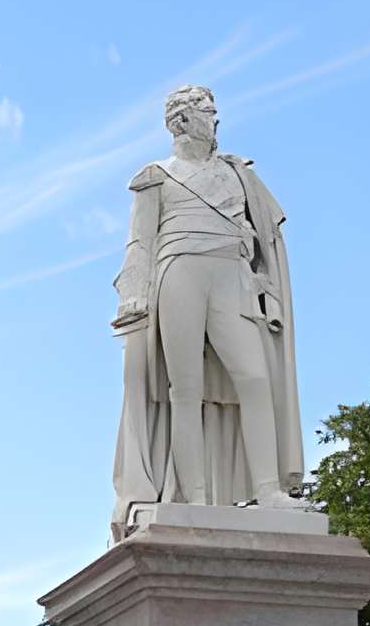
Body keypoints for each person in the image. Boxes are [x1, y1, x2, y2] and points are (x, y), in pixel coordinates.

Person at [110, 84, 305, 535]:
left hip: (230, 274)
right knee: (185, 389)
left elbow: (265, 233)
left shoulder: (238, 174)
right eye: (207, 111)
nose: (215, 120)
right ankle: (192, 498)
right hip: (179, 271)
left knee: (256, 378)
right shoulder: (155, 176)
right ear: (182, 121)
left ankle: (269, 488)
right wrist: (133, 297)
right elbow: (140, 243)